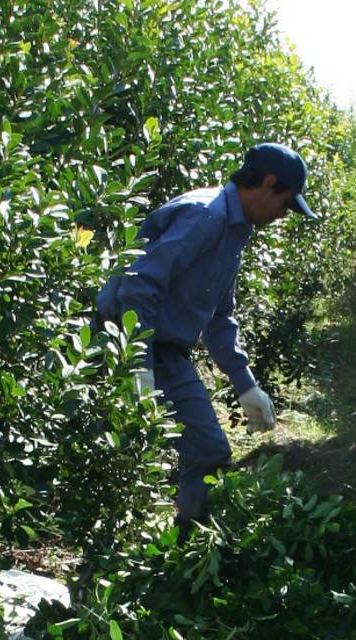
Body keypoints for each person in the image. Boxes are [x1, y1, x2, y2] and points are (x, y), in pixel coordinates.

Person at [96, 142, 316, 533]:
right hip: (125, 343)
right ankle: (103, 558)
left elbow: (219, 316)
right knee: (113, 457)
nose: (284, 215)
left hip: (167, 354)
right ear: (268, 184)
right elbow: (139, 286)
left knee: (209, 454)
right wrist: (137, 365)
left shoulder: (235, 229)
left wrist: (244, 382)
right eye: (286, 204)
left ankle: (185, 551)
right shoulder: (207, 217)